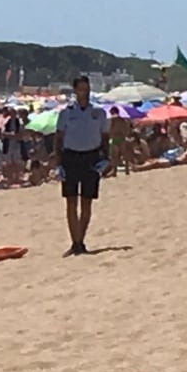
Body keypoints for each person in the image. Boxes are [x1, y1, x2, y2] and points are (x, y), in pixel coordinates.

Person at [54, 75, 110, 256]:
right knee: (71, 201)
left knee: (87, 202)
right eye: (80, 88)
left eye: (86, 88)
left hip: (91, 158)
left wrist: (106, 158)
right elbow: (58, 138)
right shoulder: (67, 112)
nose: (84, 92)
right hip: (71, 158)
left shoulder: (98, 112)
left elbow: (105, 137)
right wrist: (58, 163)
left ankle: (81, 241)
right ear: (75, 90)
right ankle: (74, 242)